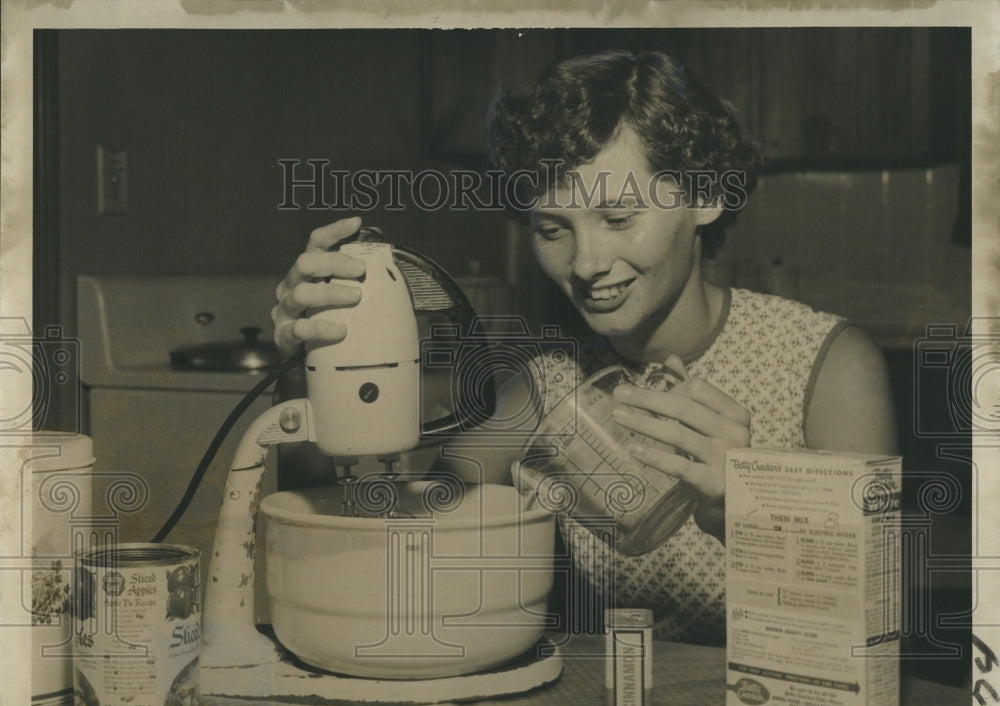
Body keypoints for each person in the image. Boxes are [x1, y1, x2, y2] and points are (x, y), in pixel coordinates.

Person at [271, 50, 897, 644]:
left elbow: (877, 620)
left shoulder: (828, 365)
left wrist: (751, 517)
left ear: (705, 196)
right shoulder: (548, 386)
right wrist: (313, 375)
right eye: (553, 228)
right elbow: (397, 545)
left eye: (619, 219)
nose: (587, 263)